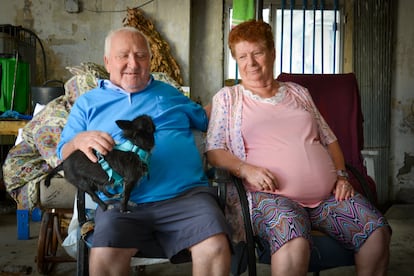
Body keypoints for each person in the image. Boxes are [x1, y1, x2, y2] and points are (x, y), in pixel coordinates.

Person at [205, 19, 391, 276]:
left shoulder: (298, 92)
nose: (251, 63)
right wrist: (246, 169)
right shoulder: (228, 98)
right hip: (268, 197)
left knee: (376, 232)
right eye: (243, 56)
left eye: (258, 52)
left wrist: (340, 175)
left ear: (272, 53)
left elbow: (329, 139)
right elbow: (214, 151)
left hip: (327, 197)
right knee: (293, 237)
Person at [57, 26, 231, 276]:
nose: (133, 63)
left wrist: (234, 93)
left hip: (187, 198)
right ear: (107, 61)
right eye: (123, 56)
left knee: (215, 247)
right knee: (104, 256)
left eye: (140, 55)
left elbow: (206, 118)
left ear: (150, 60)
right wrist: (78, 141)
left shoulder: (170, 93)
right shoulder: (88, 103)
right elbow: (63, 152)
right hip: (121, 205)